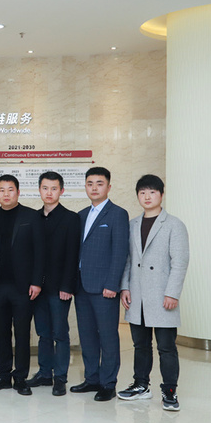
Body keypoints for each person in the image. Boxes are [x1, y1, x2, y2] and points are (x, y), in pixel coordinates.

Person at [118, 175, 189, 411]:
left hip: (161, 295)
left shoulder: (174, 224)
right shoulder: (132, 225)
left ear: (161, 194)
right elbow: (128, 260)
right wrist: (125, 287)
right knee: (140, 345)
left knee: (166, 347)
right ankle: (141, 385)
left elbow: (180, 262)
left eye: (152, 192)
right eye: (142, 192)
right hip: (137, 295)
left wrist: (172, 293)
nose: (147, 197)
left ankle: (170, 392)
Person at [0, 175, 45, 396]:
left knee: (22, 333)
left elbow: (40, 252)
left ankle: (20, 377)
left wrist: (36, 282)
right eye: (2, 190)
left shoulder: (31, 216)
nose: (6, 194)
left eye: (10, 190)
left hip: (23, 287)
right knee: (1, 332)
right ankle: (3, 375)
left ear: (18, 192)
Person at [70, 167, 129, 402]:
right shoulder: (81, 215)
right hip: (81, 286)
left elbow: (120, 252)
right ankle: (92, 378)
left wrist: (113, 284)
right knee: (87, 336)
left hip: (105, 287)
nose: (94, 188)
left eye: (99, 183)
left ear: (109, 187)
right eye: (90, 183)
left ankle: (108, 383)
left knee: (108, 337)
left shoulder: (118, 214)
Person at [26, 171, 80, 396]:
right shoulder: (33, 217)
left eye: (54, 188)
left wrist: (68, 286)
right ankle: (44, 373)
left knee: (60, 333)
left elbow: (73, 255)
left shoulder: (71, 218)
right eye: (45, 188)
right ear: (39, 190)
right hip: (37, 287)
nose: (49, 193)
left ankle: (60, 377)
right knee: (43, 332)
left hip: (60, 288)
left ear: (62, 191)